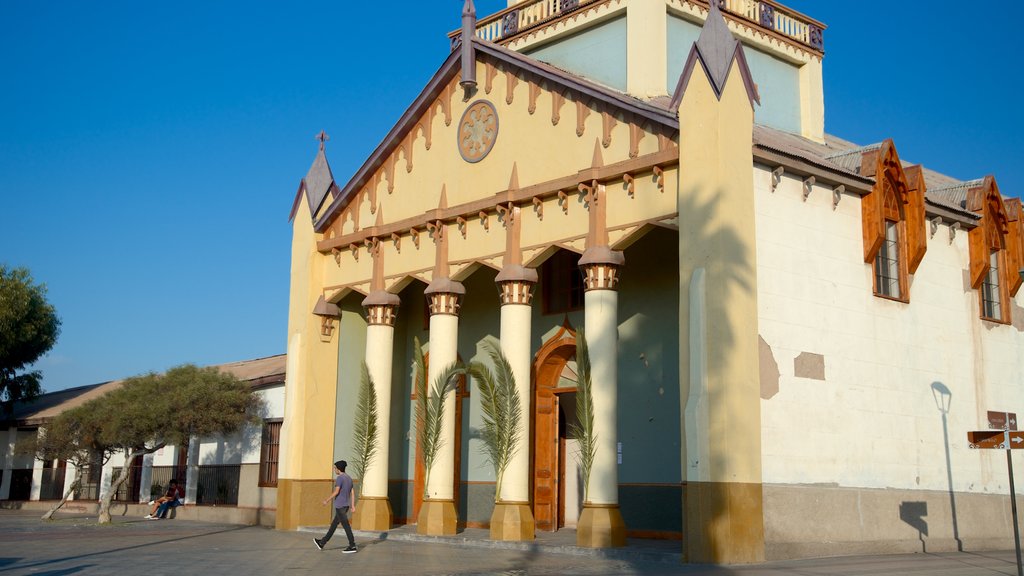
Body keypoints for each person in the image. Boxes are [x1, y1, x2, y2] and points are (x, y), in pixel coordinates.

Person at [313, 460, 357, 553]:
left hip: (340, 506)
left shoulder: (340, 478)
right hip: (345, 506)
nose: (334, 469)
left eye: (335, 468)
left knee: (346, 526)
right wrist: (352, 505)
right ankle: (322, 542)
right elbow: (352, 493)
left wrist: (326, 500)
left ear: (338, 469)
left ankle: (352, 545)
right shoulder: (349, 478)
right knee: (333, 526)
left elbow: (336, 491)